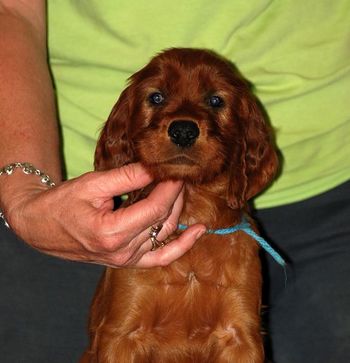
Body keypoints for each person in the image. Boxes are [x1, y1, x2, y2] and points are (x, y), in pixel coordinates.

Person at [0, 1, 349, 362]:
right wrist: (23, 190)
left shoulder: (242, 250)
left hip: (331, 183)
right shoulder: (130, 246)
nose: (184, 123)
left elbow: (238, 343)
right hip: (78, 209)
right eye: (157, 98)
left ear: (244, 140)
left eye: (215, 102)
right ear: (127, 129)